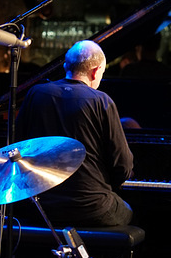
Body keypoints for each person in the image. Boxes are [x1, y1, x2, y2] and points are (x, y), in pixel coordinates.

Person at [15, 39, 134, 227]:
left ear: (65, 66)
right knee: (129, 210)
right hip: (91, 207)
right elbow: (123, 165)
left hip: (41, 206)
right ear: (95, 71)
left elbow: (17, 147)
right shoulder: (101, 101)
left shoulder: (36, 94)